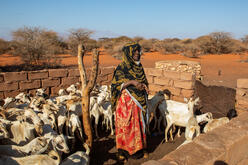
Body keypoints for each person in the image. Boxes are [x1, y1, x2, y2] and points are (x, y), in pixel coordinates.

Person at [111, 42, 149, 162]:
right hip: (125, 103)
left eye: (138, 51)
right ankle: (123, 151)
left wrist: (144, 86)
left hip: (138, 102)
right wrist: (132, 82)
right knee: (125, 126)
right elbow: (115, 85)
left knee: (138, 125)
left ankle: (139, 150)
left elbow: (143, 81)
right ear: (128, 54)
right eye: (135, 51)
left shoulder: (139, 67)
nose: (138, 53)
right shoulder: (122, 67)